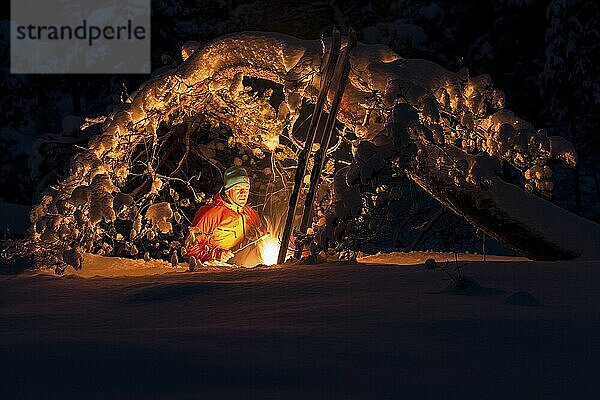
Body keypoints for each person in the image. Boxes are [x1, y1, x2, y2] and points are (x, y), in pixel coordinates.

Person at [185, 166, 265, 264]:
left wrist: (261, 237)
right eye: (237, 188)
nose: (243, 193)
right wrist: (217, 254)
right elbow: (190, 247)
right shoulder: (212, 213)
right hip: (219, 270)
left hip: (248, 267)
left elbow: (261, 238)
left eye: (246, 188)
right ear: (227, 192)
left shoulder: (250, 213)